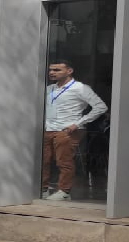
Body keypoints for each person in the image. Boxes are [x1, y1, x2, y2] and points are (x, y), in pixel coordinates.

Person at [42, 60, 108, 201]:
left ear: (69, 71)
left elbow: (101, 107)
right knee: (44, 160)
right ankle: (43, 188)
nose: (52, 72)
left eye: (57, 70)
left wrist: (78, 123)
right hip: (48, 128)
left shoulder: (80, 88)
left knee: (64, 161)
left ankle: (64, 191)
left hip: (67, 129)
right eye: (51, 70)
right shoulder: (49, 89)